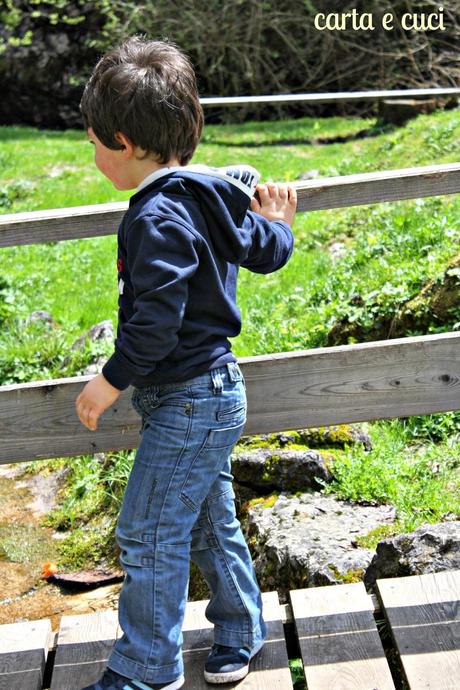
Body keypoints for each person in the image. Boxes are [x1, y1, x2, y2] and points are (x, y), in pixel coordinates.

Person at [75, 36, 296, 690]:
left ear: (121, 141)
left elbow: (157, 318)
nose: (92, 157)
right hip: (212, 394)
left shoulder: (158, 213)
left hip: (189, 398)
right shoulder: (208, 191)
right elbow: (265, 249)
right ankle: (238, 629)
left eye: (92, 144)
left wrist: (109, 381)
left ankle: (146, 669)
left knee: (145, 533)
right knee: (204, 519)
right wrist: (278, 225)